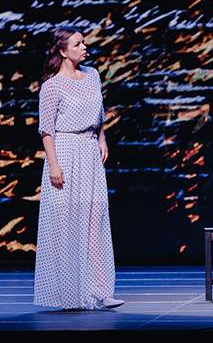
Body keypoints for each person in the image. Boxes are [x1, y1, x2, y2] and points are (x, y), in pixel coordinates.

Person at [34, 28, 124, 310]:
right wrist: (54, 164)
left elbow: (100, 114)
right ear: (63, 51)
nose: (85, 46)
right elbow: (46, 129)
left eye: (84, 42)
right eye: (77, 43)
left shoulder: (92, 75)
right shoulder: (52, 86)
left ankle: (101, 291)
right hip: (64, 152)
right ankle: (70, 293)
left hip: (89, 153)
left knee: (95, 223)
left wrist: (101, 138)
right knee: (67, 226)